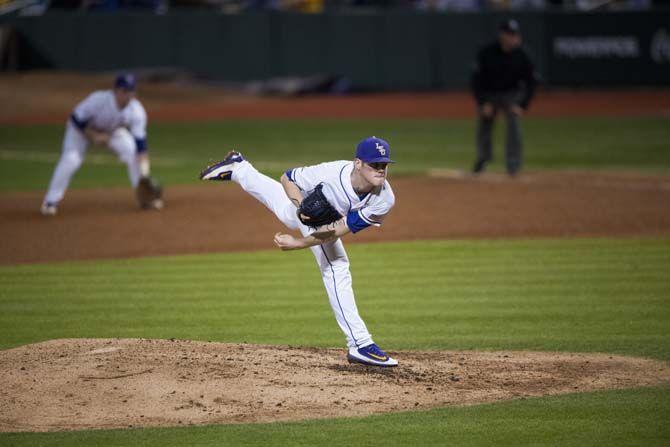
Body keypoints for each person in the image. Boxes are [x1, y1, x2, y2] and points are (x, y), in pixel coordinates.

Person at [199, 137, 398, 367]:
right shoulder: (331, 173)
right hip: (307, 199)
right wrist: (302, 207)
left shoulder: (384, 199)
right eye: (375, 164)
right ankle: (360, 344)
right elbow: (287, 177)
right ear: (358, 164)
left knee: (285, 213)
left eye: (384, 164)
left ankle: (238, 168)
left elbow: (339, 229)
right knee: (336, 265)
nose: (381, 170)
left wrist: (298, 242)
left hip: (328, 222)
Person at [41, 73, 161, 216]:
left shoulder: (136, 110)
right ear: (116, 90)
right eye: (125, 91)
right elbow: (75, 119)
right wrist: (94, 135)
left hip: (112, 133)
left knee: (131, 150)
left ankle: (144, 197)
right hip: (81, 132)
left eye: (131, 91)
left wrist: (144, 173)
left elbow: (141, 145)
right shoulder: (98, 100)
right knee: (71, 160)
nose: (128, 95)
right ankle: (50, 201)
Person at [471, 19, 538, 176]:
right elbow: (476, 81)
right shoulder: (487, 53)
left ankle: (513, 163)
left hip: (512, 94)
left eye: (514, 34)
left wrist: (522, 105)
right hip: (490, 94)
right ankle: (483, 159)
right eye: (509, 34)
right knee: (484, 125)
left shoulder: (523, 55)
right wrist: (483, 102)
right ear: (501, 35)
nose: (512, 37)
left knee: (514, 123)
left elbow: (532, 82)